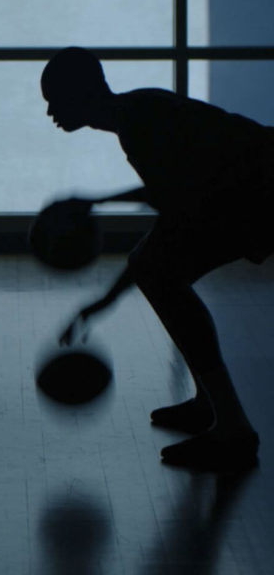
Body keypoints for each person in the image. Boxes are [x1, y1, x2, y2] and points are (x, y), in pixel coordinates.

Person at [41, 46, 269, 470]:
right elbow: (173, 200)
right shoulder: (137, 113)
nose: (50, 111)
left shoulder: (140, 121)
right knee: (156, 268)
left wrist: (94, 206)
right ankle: (211, 404)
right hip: (251, 194)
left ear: (80, 93)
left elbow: (172, 201)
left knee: (158, 272)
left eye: (54, 98)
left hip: (260, 194)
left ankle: (233, 429)